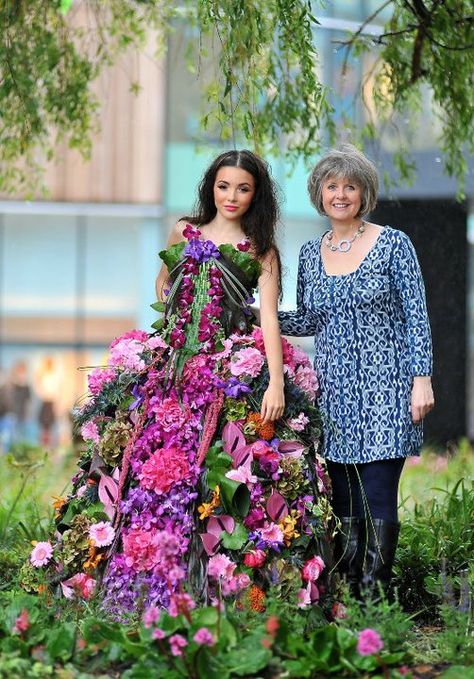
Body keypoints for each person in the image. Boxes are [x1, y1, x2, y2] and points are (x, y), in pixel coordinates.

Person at [27, 150, 333, 621]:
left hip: (223, 376)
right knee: (140, 472)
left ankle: (210, 591)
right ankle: (126, 580)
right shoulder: (183, 230)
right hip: (168, 375)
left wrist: (274, 381)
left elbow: (269, 319)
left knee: (214, 476)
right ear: (211, 186)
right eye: (224, 186)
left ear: (257, 195)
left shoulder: (261, 249)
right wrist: (173, 323)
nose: (231, 196)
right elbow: (163, 281)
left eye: (243, 188)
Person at [278, 143, 434, 598]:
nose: (341, 194)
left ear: (364, 194)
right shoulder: (310, 253)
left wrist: (420, 379)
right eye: (332, 186)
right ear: (319, 193)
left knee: (379, 495)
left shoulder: (394, 243)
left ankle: (375, 599)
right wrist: (259, 317)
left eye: (350, 186)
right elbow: (308, 319)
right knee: (344, 497)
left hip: (389, 387)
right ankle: (349, 597)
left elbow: (416, 315)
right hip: (336, 393)